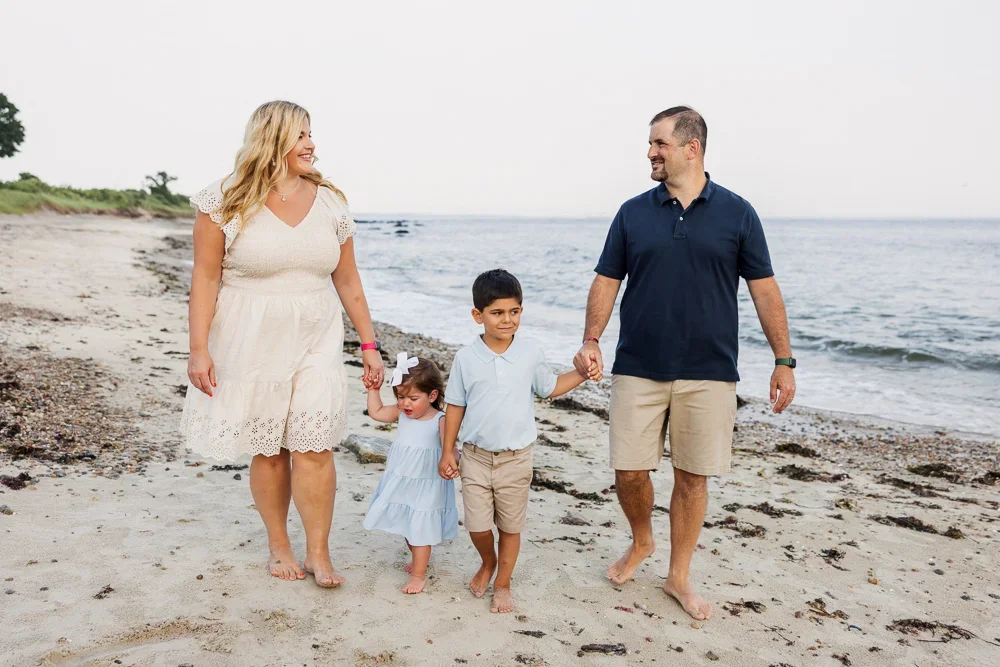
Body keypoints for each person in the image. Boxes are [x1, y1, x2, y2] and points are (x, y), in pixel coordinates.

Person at [573, 106, 796, 621]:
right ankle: (642, 540)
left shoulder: (738, 213)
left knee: (693, 478)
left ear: (692, 148)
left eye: (659, 144)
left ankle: (678, 576)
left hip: (710, 371)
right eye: (651, 144)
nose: (651, 152)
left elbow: (764, 290)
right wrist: (591, 338)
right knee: (629, 471)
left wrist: (783, 360)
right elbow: (608, 279)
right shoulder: (632, 212)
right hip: (637, 365)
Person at [180, 100, 385, 588]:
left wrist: (370, 345)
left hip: (317, 332)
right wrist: (198, 349)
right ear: (271, 138)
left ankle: (319, 551)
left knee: (315, 444)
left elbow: (350, 281)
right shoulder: (223, 200)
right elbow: (205, 279)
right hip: (250, 336)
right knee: (269, 447)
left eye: (311, 134)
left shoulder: (331, 202)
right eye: (300, 135)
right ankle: (279, 544)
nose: (311, 144)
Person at [438, 269, 592, 613]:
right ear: (478, 315)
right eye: (497, 312)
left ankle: (503, 583)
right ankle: (487, 562)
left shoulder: (530, 352)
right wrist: (448, 451)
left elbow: (549, 387)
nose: (507, 319)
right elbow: (455, 407)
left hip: (516, 459)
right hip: (474, 457)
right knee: (478, 526)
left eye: (514, 311)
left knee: (510, 526)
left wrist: (582, 373)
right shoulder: (465, 358)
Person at [362, 353, 458, 594]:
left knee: (421, 528)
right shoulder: (402, 413)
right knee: (408, 524)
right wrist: (373, 390)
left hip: (428, 482)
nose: (405, 403)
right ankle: (418, 559)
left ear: (432, 395)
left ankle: (418, 575)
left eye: (413, 398)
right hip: (402, 479)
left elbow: (452, 449)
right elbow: (377, 413)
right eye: (401, 397)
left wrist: (452, 462)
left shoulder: (440, 419)